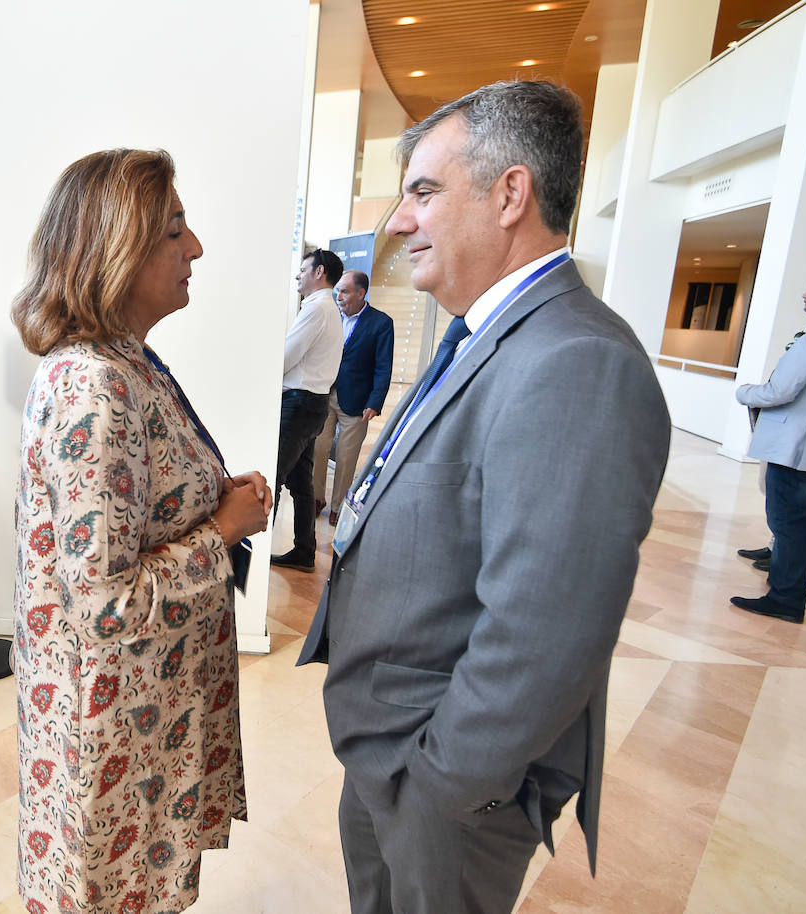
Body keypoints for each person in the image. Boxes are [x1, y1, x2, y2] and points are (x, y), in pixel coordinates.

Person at [297, 81, 671, 913]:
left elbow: (545, 629)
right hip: (393, 751)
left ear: (510, 194)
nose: (398, 221)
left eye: (423, 191)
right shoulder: (489, 333)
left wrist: (441, 782)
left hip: (448, 783)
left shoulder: (576, 362)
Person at [12, 148, 272, 914]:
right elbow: (106, 602)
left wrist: (206, 497)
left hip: (142, 718)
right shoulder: (98, 386)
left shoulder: (126, 364)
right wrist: (222, 529)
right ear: (116, 249)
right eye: (174, 231)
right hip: (117, 730)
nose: (195, 249)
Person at [731, 282, 806, 624]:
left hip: (798, 450)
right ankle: (797, 583)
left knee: (788, 522)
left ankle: (785, 599)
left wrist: (745, 392)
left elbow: (780, 391)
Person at [269, 248, 345, 572]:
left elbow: (287, 356)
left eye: (303, 269)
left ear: (320, 272)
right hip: (313, 405)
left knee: (273, 476)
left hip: (299, 404)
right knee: (301, 483)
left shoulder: (317, 309)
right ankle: (304, 550)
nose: (298, 275)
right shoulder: (327, 308)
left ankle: (255, 555)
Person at [311, 269, 394, 526]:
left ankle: (338, 507)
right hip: (325, 394)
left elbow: (383, 366)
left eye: (345, 291)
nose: (339, 296)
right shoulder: (330, 316)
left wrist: (375, 401)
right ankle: (315, 500)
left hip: (357, 402)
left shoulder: (381, 323)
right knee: (318, 448)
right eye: (338, 290)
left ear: (361, 293)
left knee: (346, 458)